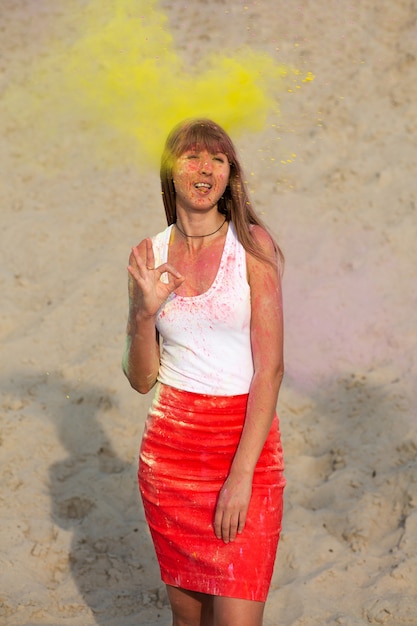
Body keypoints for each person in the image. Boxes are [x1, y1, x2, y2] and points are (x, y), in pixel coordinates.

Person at [123, 118, 285, 626]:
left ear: (229, 175)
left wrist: (240, 479)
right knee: (188, 621)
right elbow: (140, 377)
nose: (204, 168)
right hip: (170, 457)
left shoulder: (252, 246)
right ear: (171, 172)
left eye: (217, 159)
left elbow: (271, 371)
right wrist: (144, 313)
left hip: (244, 449)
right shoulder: (148, 254)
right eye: (193, 157)